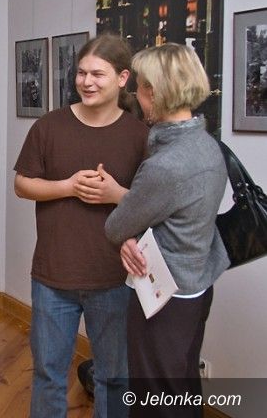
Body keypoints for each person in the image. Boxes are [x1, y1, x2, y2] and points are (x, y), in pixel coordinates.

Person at [13, 34, 148, 418]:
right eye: (81, 73)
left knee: (114, 377)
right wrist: (68, 186)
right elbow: (22, 185)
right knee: (48, 374)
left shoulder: (139, 135)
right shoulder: (49, 126)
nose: (86, 82)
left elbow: (152, 203)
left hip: (115, 278)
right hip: (53, 276)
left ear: (122, 78)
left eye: (97, 74)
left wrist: (115, 194)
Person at [104, 43, 229, 418]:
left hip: (165, 296)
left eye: (140, 86)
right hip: (198, 284)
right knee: (183, 385)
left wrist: (125, 223)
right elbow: (173, 210)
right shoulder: (207, 145)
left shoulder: (166, 164)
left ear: (155, 92)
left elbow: (116, 226)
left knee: (155, 398)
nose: (135, 94)